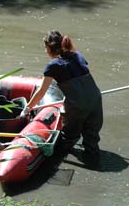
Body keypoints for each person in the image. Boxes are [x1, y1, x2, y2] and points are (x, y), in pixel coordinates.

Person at [26, 30, 103, 168]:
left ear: (49, 48)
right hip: (95, 99)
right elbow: (80, 73)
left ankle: (55, 164)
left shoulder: (53, 65)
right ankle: (94, 161)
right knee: (91, 135)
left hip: (77, 104)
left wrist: (29, 107)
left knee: (68, 136)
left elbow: (42, 91)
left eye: (45, 48)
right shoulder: (78, 55)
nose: (45, 51)